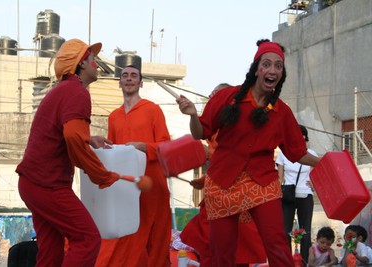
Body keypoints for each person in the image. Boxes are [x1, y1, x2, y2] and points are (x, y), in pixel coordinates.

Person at [176, 39, 320, 267]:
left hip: (262, 184)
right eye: (267, 64)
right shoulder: (228, 97)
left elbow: (296, 152)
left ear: (282, 74)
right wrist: (193, 114)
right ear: (256, 69)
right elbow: (199, 132)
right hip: (222, 183)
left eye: (278, 66)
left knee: (277, 244)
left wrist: (323, 162)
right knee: (222, 254)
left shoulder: (281, 112)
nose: (272, 70)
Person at [16, 39, 122, 266]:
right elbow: (73, 137)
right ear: (82, 63)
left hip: (32, 184)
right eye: (93, 59)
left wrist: (89, 138)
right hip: (48, 184)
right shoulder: (77, 92)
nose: (97, 65)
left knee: (51, 251)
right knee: (87, 239)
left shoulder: (63, 90)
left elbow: (64, 132)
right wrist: (100, 174)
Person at [180, 83, 267, 267]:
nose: (212, 101)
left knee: (235, 247)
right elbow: (215, 158)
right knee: (210, 244)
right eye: (211, 97)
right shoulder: (213, 128)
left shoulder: (238, 127)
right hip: (216, 195)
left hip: (237, 196)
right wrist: (204, 181)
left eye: (216, 97)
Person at [95, 65, 172, 267]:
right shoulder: (114, 116)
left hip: (153, 185)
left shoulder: (153, 110)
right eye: (125, 76)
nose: (129, 79)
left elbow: (166, 146)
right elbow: (112, 151)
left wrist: (143, 146)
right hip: (126, 187)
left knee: (156, 240)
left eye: (134, 76)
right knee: (128, 237)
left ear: (141, 83)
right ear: (119, 82)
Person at [276, 124, 317, 265]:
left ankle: (304, 262)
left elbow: (315, 173)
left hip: (305, 195)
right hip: (287, 195)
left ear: (304, 137)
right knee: (285, 231)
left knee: (305, 232)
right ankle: (286, 262)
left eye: (299, 134)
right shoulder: (283, 153)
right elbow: (280, 177)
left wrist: (314, 184)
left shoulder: (311, 153)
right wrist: (277, 191)